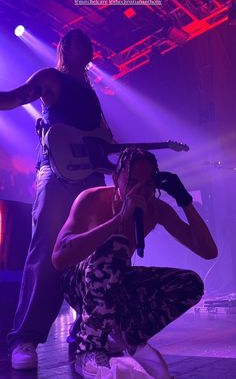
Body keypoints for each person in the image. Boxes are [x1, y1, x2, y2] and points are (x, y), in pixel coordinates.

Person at [0, 28, 113, 369]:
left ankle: (87, 331)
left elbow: (102, 141)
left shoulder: (92, 94)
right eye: (82, 40)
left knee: (93, 255)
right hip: (56, 174)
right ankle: (25, 338)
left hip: (91, 179)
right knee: (46, 253)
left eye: (92, 42)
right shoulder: (50, 79)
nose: (90, 45)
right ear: (65, 46)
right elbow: (12, 98)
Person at [52, 147, 218, 378]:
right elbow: (59, 258)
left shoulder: (156, 209)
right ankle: (87, 349)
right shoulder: (91, 199)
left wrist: (185, 200)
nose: (141, 190)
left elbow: (208, 251)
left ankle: (127, 335)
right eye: (131, 182)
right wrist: (118, 220)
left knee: (190, 284)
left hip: (116, 285)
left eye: (149, 183)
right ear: (115, 179)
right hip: (80, 284)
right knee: (115, 245)